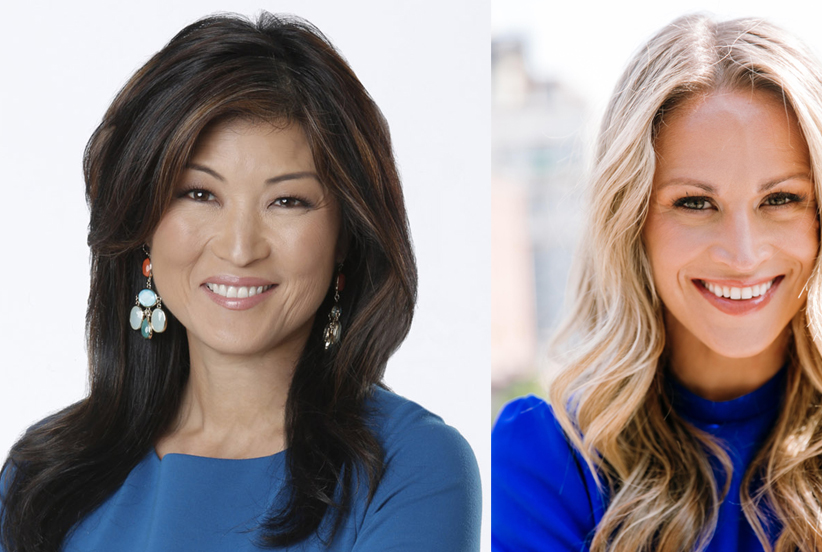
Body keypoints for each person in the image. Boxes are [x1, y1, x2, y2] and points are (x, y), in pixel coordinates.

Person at [492, 14, 822, 552]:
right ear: (631, 220)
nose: (743, 254)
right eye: (695, 203)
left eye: (781, 199)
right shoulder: (543, 455)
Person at [0, 13, 480, 552]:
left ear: (347, 233)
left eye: (287, 201)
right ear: (141, 221)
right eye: (200, 194)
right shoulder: (41, 477)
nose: (239, 247)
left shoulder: (411, 468)